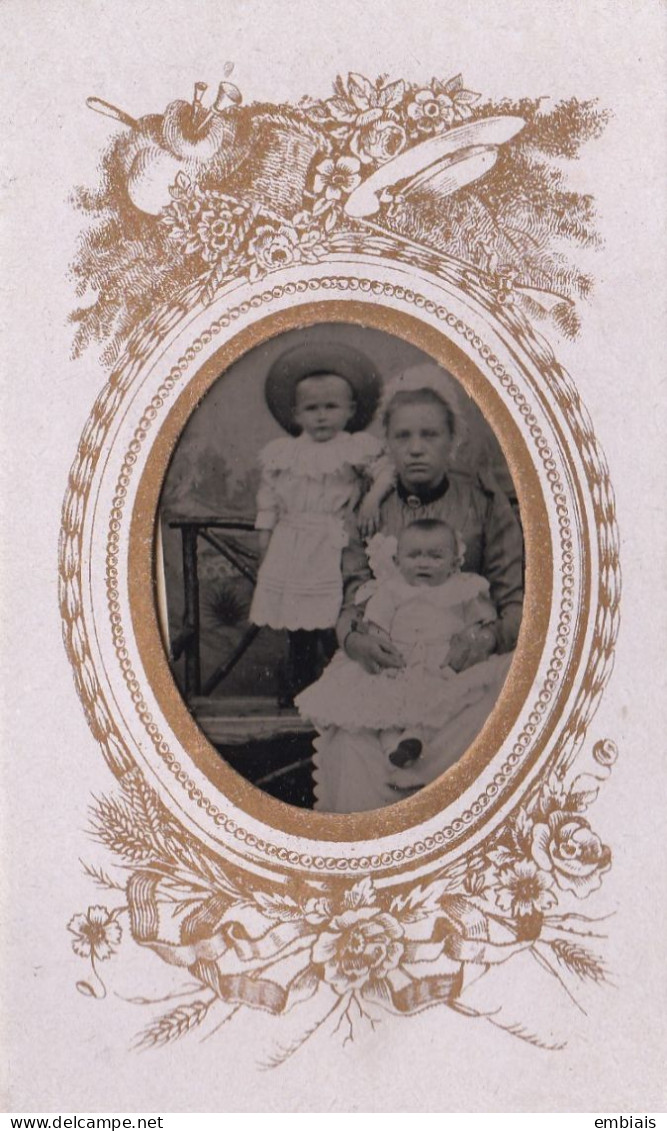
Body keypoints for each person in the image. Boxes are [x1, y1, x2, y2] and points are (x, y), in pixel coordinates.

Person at [309, 364, 524, 812]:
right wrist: (357, 641)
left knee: (486, 719)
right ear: (387, 443)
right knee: (351, 742)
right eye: (403, 437)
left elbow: (517, 602)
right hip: (387, 669)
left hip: (467, 667)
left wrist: (486, 638)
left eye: (430, 436)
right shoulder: (371, 509)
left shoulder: (483, 502)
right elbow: (352, 598)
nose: (416, 449)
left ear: (453, 441)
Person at [296, 518, 513, 781]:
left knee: (443, 703)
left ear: (455, 563)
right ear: (397, 562)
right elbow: (376, 623)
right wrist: (379, 640)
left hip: (441, 664)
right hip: (400, 663)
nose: (423, 563)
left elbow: (483, 619)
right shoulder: (390, 591)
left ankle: (415, 738)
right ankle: (393, 749)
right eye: (414, 556)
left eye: (436, 556)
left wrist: (475, 633)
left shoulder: (463, 588)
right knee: (385, 708)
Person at [249, 342, 393, 701]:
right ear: (297, 414)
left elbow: (387, 471)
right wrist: (265, 545)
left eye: (331, 407)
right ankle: (298, 687)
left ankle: (339, 689)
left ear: (350, 410)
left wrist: (372, 498)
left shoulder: (354, 447)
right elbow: (268, 501)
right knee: (298, 623)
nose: (322, 416)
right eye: (312, 409)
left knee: (335, 616)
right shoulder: (284, 454)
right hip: (292, 543)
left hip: (335, 541)